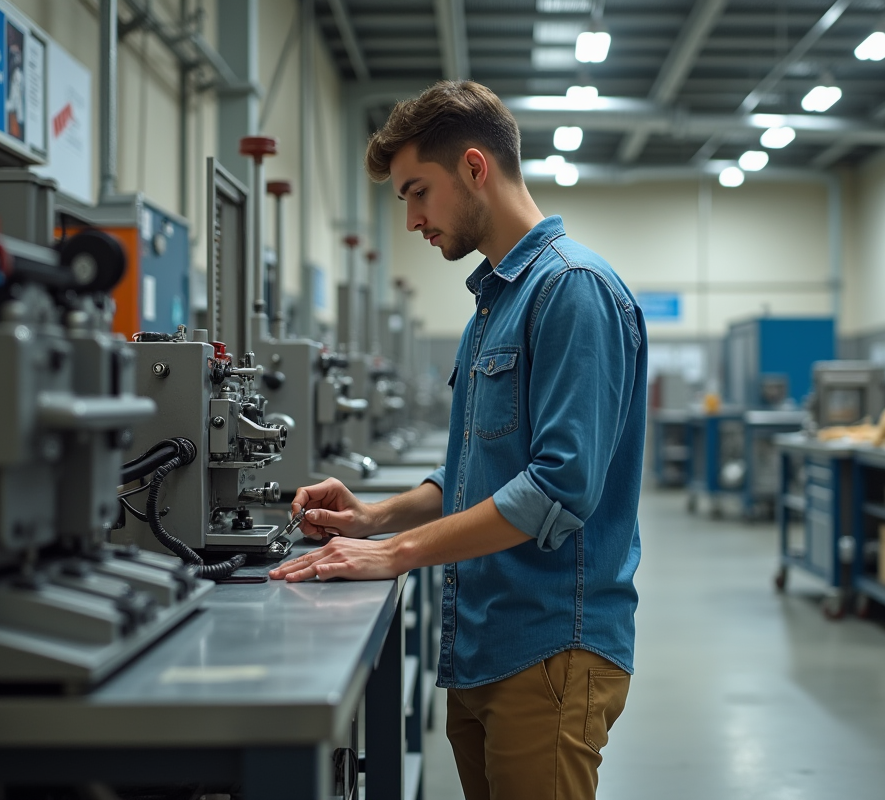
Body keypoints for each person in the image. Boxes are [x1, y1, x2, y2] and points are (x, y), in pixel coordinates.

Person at [269, 80, 648, 800]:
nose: (411, 218)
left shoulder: (573, 290)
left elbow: (557, 488)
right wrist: (374, 517)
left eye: (418, 191)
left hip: (550, 650)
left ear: (475, 167)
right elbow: (477, 471)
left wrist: (395, 555)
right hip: (482, 643)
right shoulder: (489, 309)